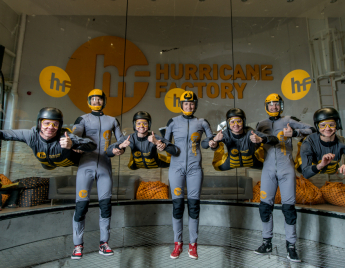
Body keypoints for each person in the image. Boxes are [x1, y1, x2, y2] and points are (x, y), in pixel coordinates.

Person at [254, 93, 315, 263]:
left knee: (289, 209)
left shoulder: (289, 119)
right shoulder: (261, 124)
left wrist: (295, 132)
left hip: (286, 169)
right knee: (264, 207)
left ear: (281, 105)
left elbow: (313, 129)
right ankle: (266, 243)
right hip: (268, 170)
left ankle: (291, 246)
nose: (274, 106)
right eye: (270, 104)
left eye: (277, 104)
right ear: (266, 106)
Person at [71, 89, 123, 260]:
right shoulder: (82, 119)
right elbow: (76, 134)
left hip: (104, 168)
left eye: (99, 99)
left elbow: (120, 139)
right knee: (81, 206)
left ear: (103, 101)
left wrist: (120, 147)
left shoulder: (112, 120)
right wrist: (74, 142)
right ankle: (78, 245)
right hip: (86, 166)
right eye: (93, 99)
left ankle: (104, 243)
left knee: (106, 206)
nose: (96, 102)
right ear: (89, 101)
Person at [164, 90, 214, 260]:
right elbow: (165, 143)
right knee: (177, 206)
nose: (189, 106)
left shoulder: (202, 122)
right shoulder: (172, 121)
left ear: (195, 105)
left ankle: (193, 245)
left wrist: (213, 143)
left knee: (193, 206)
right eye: (186, 103)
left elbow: (208, 142)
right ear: (181, 105)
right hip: (176, 169)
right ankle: (178, 243)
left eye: (192, 103)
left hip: (195, 169)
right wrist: (161, 146)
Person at [0, 107, 96, 170]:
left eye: (55, 124)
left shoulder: (65, 137)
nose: (50, 128)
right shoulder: (31, 135)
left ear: (59, 126)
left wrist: (72, 144)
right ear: (39, 124)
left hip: (73, 162)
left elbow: (92, 145)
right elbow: (4, 133)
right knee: (47, 166)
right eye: (46, 123)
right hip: (47, 165)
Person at [202, 108, 278, 170]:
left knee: (260, 142)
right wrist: (215, 140)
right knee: (218, 144)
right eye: (232, 122)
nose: (236, 125)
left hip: (254, 162)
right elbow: (203, 144)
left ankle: (258, 147)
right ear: (228, 123)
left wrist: (261, 140)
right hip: (230, 163)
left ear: (243, 122)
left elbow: (275, 140)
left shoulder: (250, 132)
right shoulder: (225, 134)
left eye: (239, 121)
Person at [299, 108, 345, 178]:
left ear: (337, 125)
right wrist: (321, 164)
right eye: (323, 125)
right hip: (314, 174)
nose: (327, 128)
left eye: (331, 124)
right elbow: (305, 173)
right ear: (317, 126)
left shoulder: (344, 143)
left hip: (333, 171)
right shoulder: (308, 143)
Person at [107, 111, 179, 169]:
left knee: (172, 160)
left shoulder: (154, 137)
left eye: (145, 123)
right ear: (134, 125)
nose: (141, 126)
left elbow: (175, 150)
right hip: (136, 165)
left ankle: (165, 134)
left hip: (156, 162)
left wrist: (157, 143)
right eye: (138, 123)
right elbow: (108, 152)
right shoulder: (130, 138)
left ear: (149, 125)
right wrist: (120, 146)